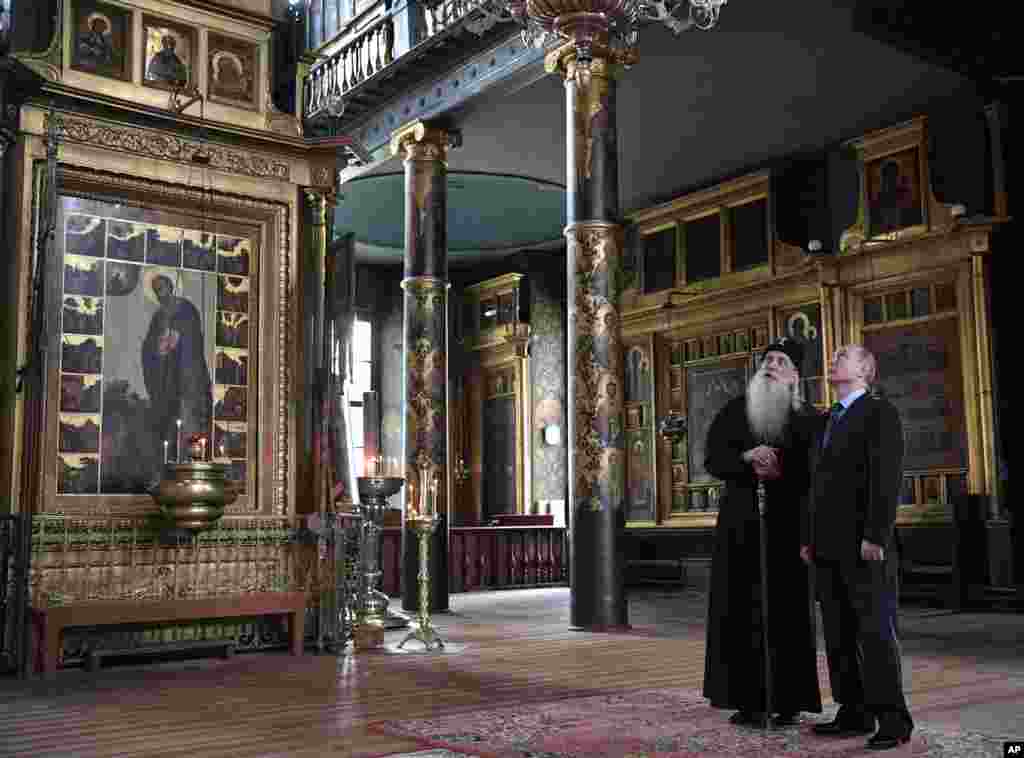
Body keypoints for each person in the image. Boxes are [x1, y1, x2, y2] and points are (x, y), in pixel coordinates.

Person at [702, 338, 822, 727]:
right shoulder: (735, 412)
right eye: (767, 359)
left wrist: (781, 472)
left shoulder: (808, 419)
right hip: (740, 531)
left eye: (780, 360)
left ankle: (788, 700)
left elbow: (817, 475)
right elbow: (713, 459)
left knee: (787, 614)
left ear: (795, 374)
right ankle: (747, 699)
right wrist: (745, 458)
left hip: (788, 530)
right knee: (741, 612)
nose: (771, 365)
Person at [801, 344, 913, 751]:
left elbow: (886, 477)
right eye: (832, 357)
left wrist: (876, 536)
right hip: (827, 546)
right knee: (839, 633)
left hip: (865, 545)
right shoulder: (828, 418)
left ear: (865, 370)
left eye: (842, 357)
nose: (833, 361)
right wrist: (809, 539)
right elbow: (814, 487)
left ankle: (894, 719)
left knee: (875, 633)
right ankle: (854, 710)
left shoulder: (879, 412)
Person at [142, 273, 212, 466]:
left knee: (189, 420)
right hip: (167, 379)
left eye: (162, 288)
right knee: (170, 424)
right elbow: (149, 349)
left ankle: (191, 459)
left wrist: (177, 336)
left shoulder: (185, 308)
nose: (159, 293)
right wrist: (158, 349)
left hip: (187, 375)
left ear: (171, 287)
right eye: (156, 290)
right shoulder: (158, 317)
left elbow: (193, 339)